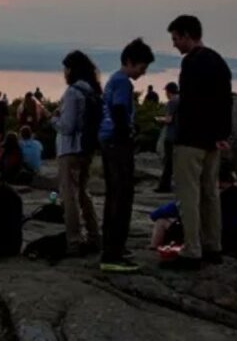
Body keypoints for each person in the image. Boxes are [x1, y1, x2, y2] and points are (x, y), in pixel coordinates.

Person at [164, 15, 233, 271]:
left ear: (186, 35)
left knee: (189, 195)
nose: (174, 44)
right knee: (210, 194)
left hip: (191, 139)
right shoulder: (218, 61)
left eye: (175, 38)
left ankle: (192, 249)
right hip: (213, 141)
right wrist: (222, 134)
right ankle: (213, 245)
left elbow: (190, 103)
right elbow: (226, 102)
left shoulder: (191, 62)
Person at [97, 39, 155, 273]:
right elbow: (120, 110)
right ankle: (113, 254)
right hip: (117, 143)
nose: (143, 73)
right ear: (130, 62)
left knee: (114, 195)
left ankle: (112, 247)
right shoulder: (122, 83)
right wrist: (128, 137)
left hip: (108, 141)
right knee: (122, 197)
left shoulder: (113, 79)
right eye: (142, 67)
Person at [54, 51, 104, 256]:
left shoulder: (73, 92)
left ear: (72, 70)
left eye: (66, 69)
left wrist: (52, 118)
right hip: (86, 149)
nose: (64, 73)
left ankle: (74, 241)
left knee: (69, 196)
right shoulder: (92, 90)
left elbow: (67, 127)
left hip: (70, 150)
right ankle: (94, 236)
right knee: (83, 193)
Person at [155, 82, 180, 193]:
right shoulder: (181, 100)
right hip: (179, 136)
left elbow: (169, 119)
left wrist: (159, 119)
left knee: (168, 162)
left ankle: (164, 185)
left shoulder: (172, 102)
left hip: (171, 135)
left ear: (168, 91)